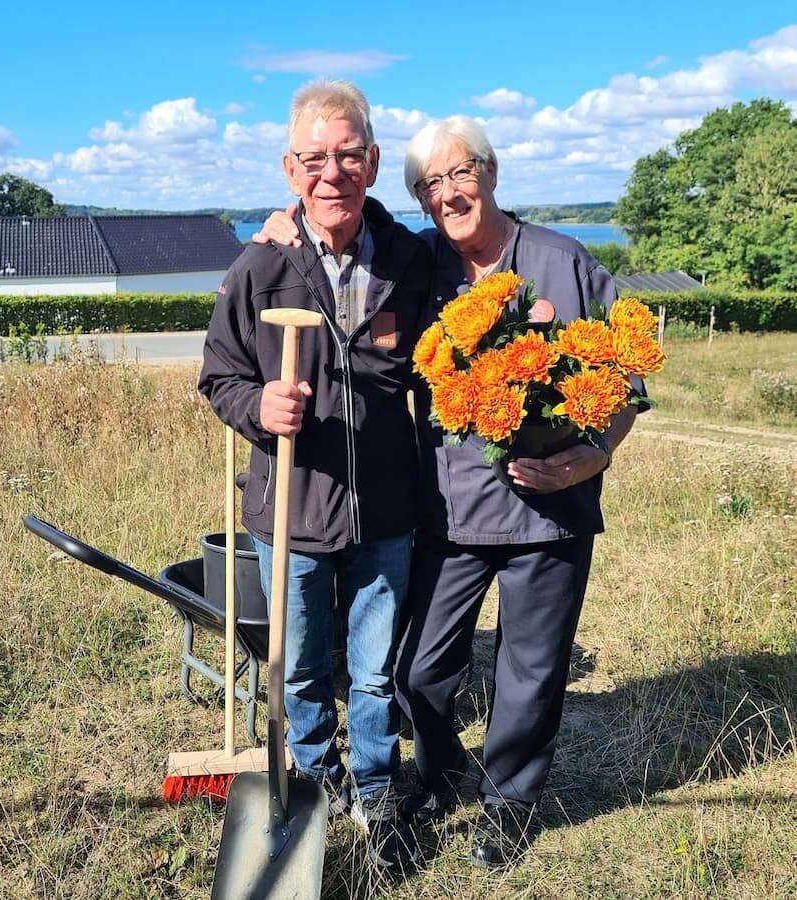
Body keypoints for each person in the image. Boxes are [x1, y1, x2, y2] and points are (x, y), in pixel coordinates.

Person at [254, 114, 644, 870]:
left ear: (490, 173)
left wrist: (590, 458)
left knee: (530, 669)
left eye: (460, 173)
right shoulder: (418, 260)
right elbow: (339, 219)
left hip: (551, 510)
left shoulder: (563, 262)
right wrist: (286, 223)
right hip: (447, 508)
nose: (447, 192)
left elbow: (628, 378)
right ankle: (438, 774)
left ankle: (509, 806)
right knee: (420, 671)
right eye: (430, 184)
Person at [198, 80, 430, 870]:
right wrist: (258, 405)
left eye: (349, 156)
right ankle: (315, 781)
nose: (332, 174)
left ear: (371, 162)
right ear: (290, 169)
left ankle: (375, 790)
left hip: (385, 510)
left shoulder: (407, 259)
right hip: (291, 507)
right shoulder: (259, 268)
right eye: (314, 159)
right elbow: (218, 376)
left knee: (373, 671)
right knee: (298, 664)